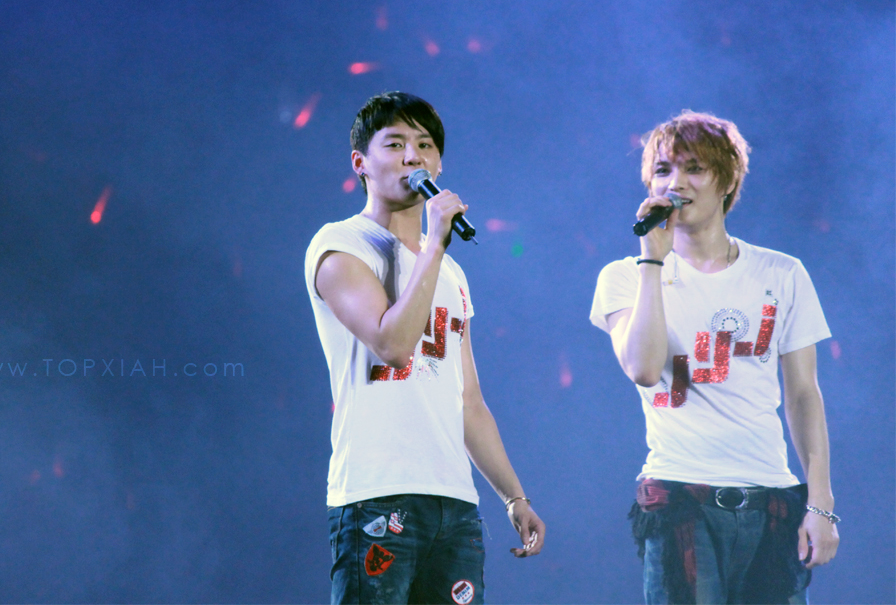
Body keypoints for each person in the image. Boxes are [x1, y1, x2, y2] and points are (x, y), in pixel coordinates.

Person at [589, 111, 839, 604]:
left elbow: (804, 395)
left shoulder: (782, 273)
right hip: (680, 500)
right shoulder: (625, 276)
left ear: (727, 181)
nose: (675, 183)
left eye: (694, 169)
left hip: (771, 501)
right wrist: (653, 259)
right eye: (663, 170)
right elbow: (643, 368)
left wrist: (820, 502)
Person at [305, 92, 544, 605]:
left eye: (425, 145)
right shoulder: (340, 245)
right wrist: (433, 244)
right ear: (360, 163)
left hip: (453, 503)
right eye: (394, 144)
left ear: (438, 165)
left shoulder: (451, 273)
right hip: (376, 496)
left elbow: (469, 402)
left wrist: (513, 497)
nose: (412, 156)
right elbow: (393, 344)